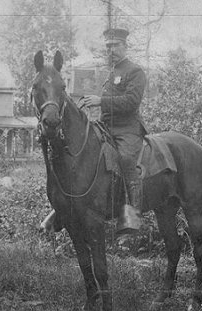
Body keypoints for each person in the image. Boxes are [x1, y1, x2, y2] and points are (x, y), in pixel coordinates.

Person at [41, 28, 147, 235]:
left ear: (125, 46)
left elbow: (132, 102)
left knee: (125, 159)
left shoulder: (135, 71)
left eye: (116, 45)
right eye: (108, 46)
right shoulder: (112, 72)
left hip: (128, 129)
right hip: (106, 126)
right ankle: (61, 209)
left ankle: (133, 217)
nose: (112, 50)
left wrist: (101, 101)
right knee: (79, 154)